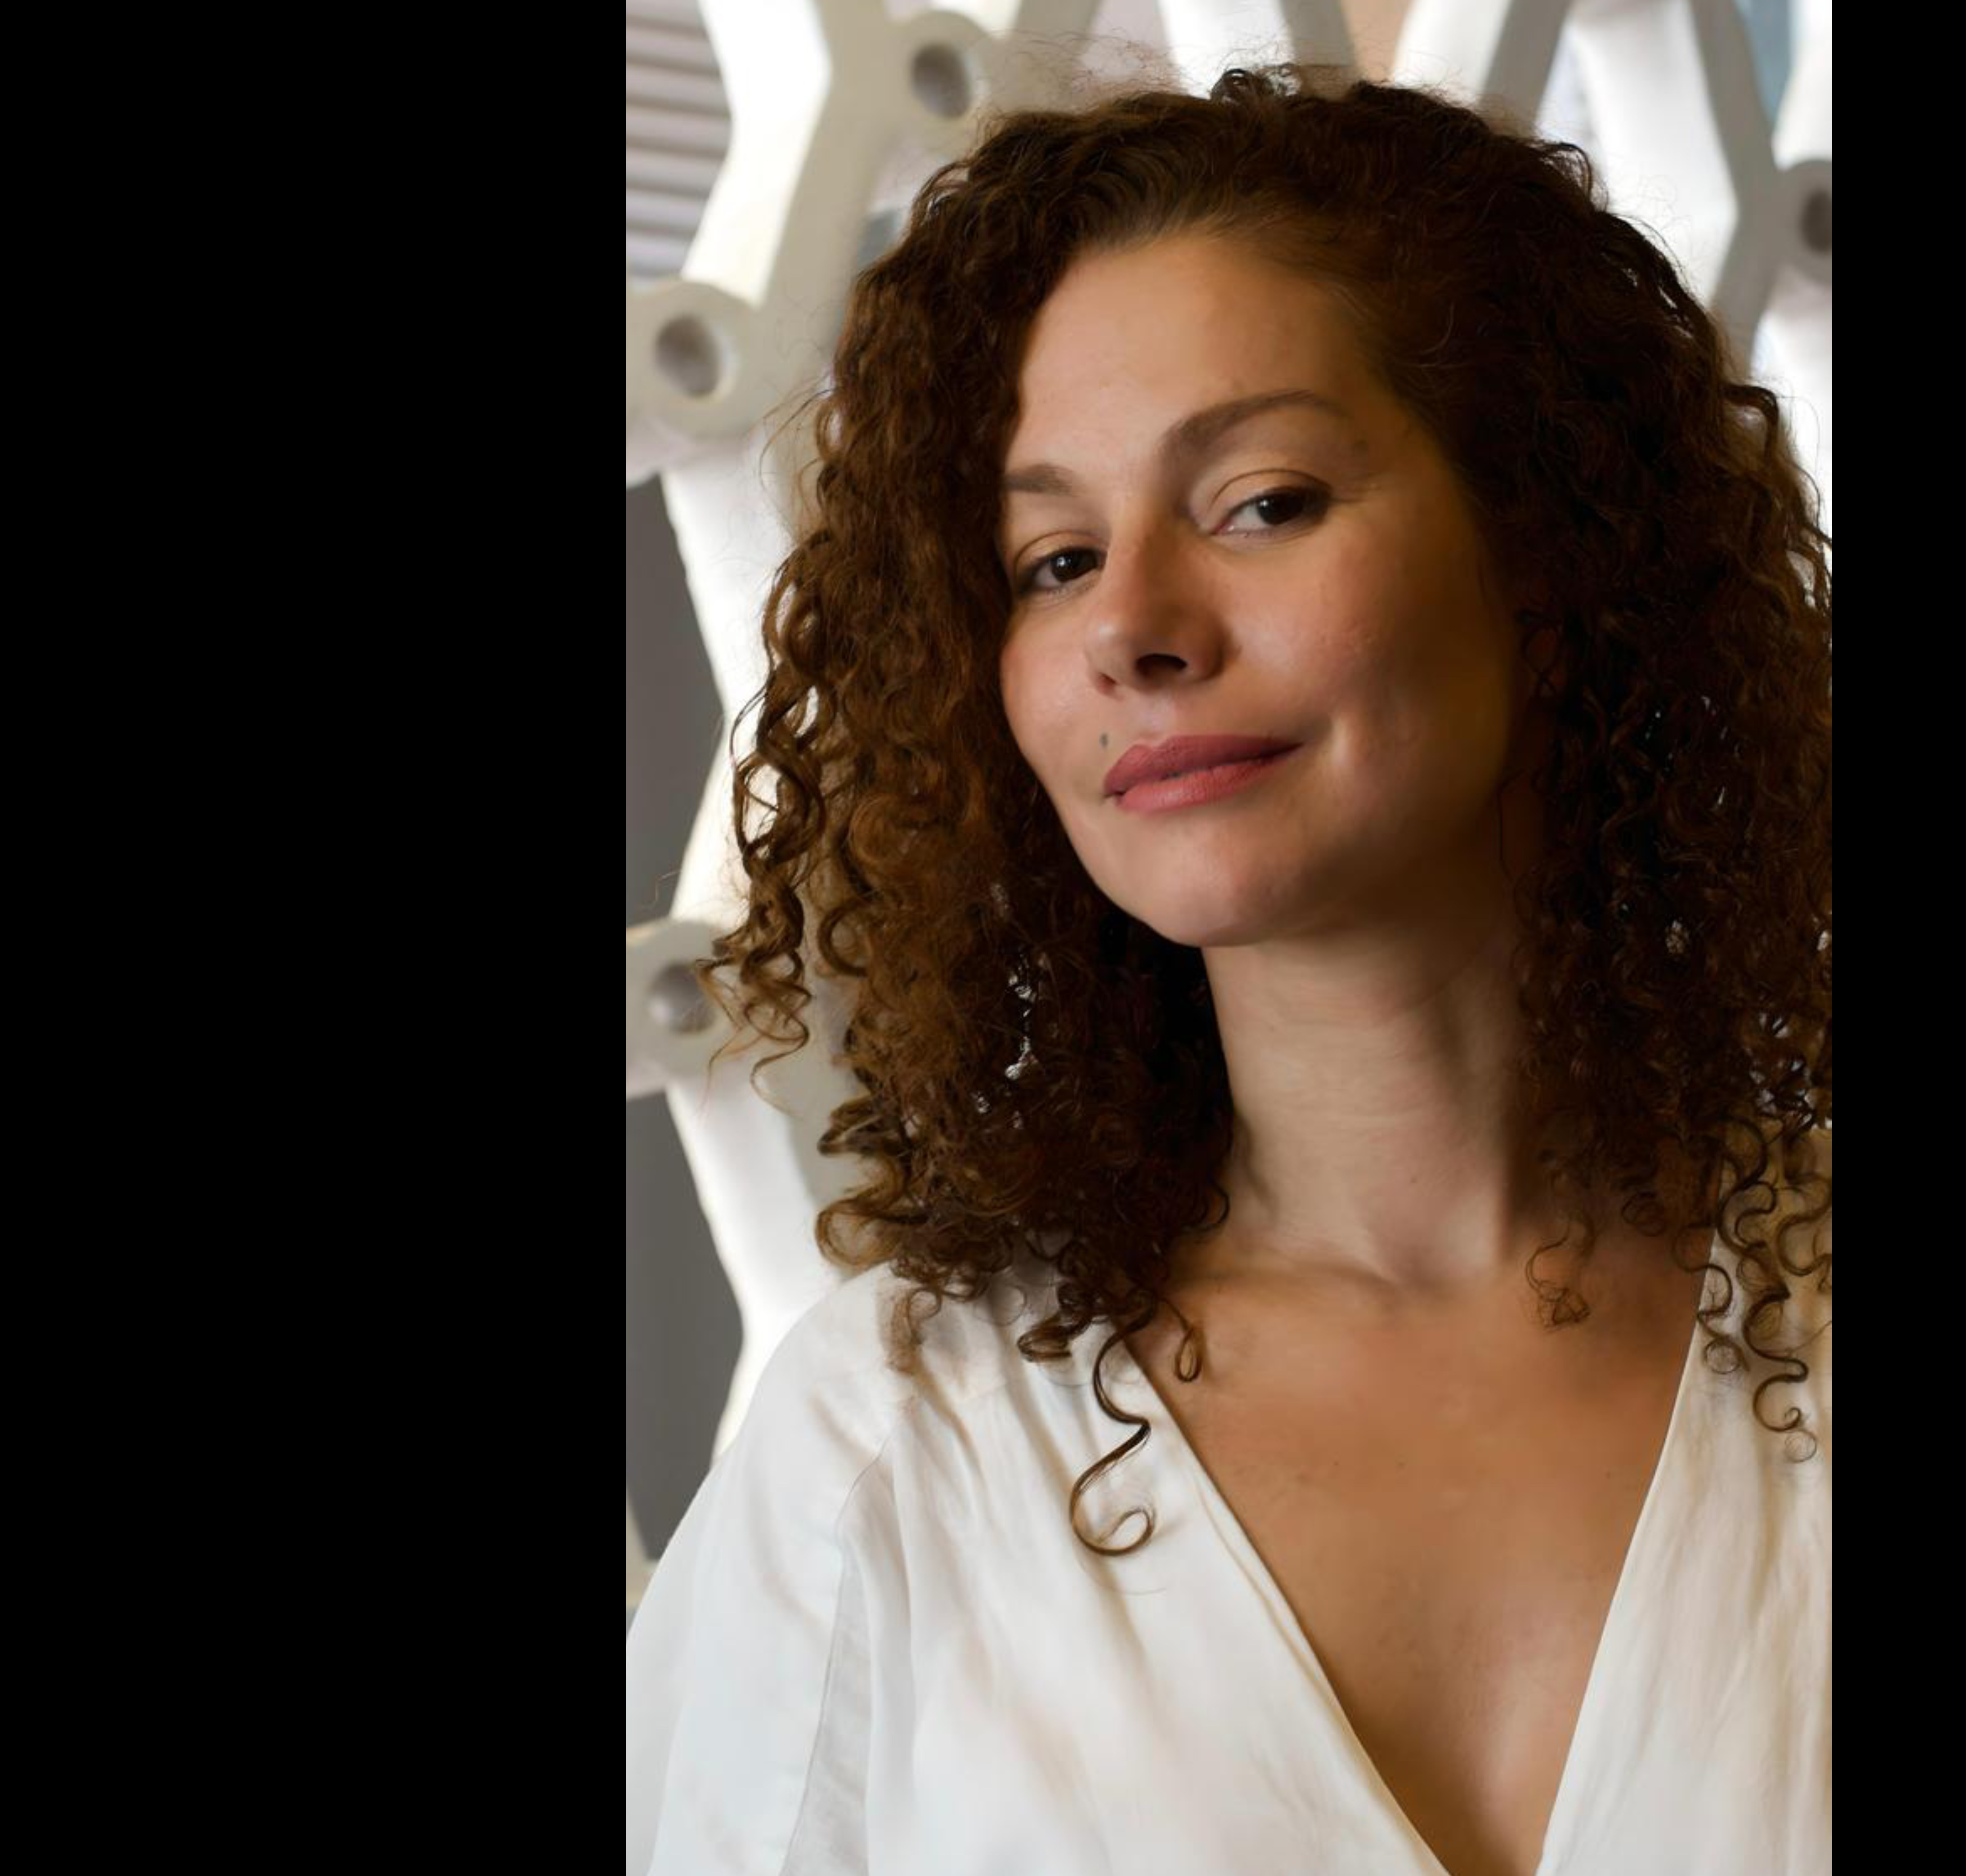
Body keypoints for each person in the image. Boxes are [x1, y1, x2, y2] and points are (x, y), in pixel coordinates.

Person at [631, 61, 1830, 1876]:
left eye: (1263, 501)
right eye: (1052, 558)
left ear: (1549, 542)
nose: (1131, 625)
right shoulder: (889, 1449)